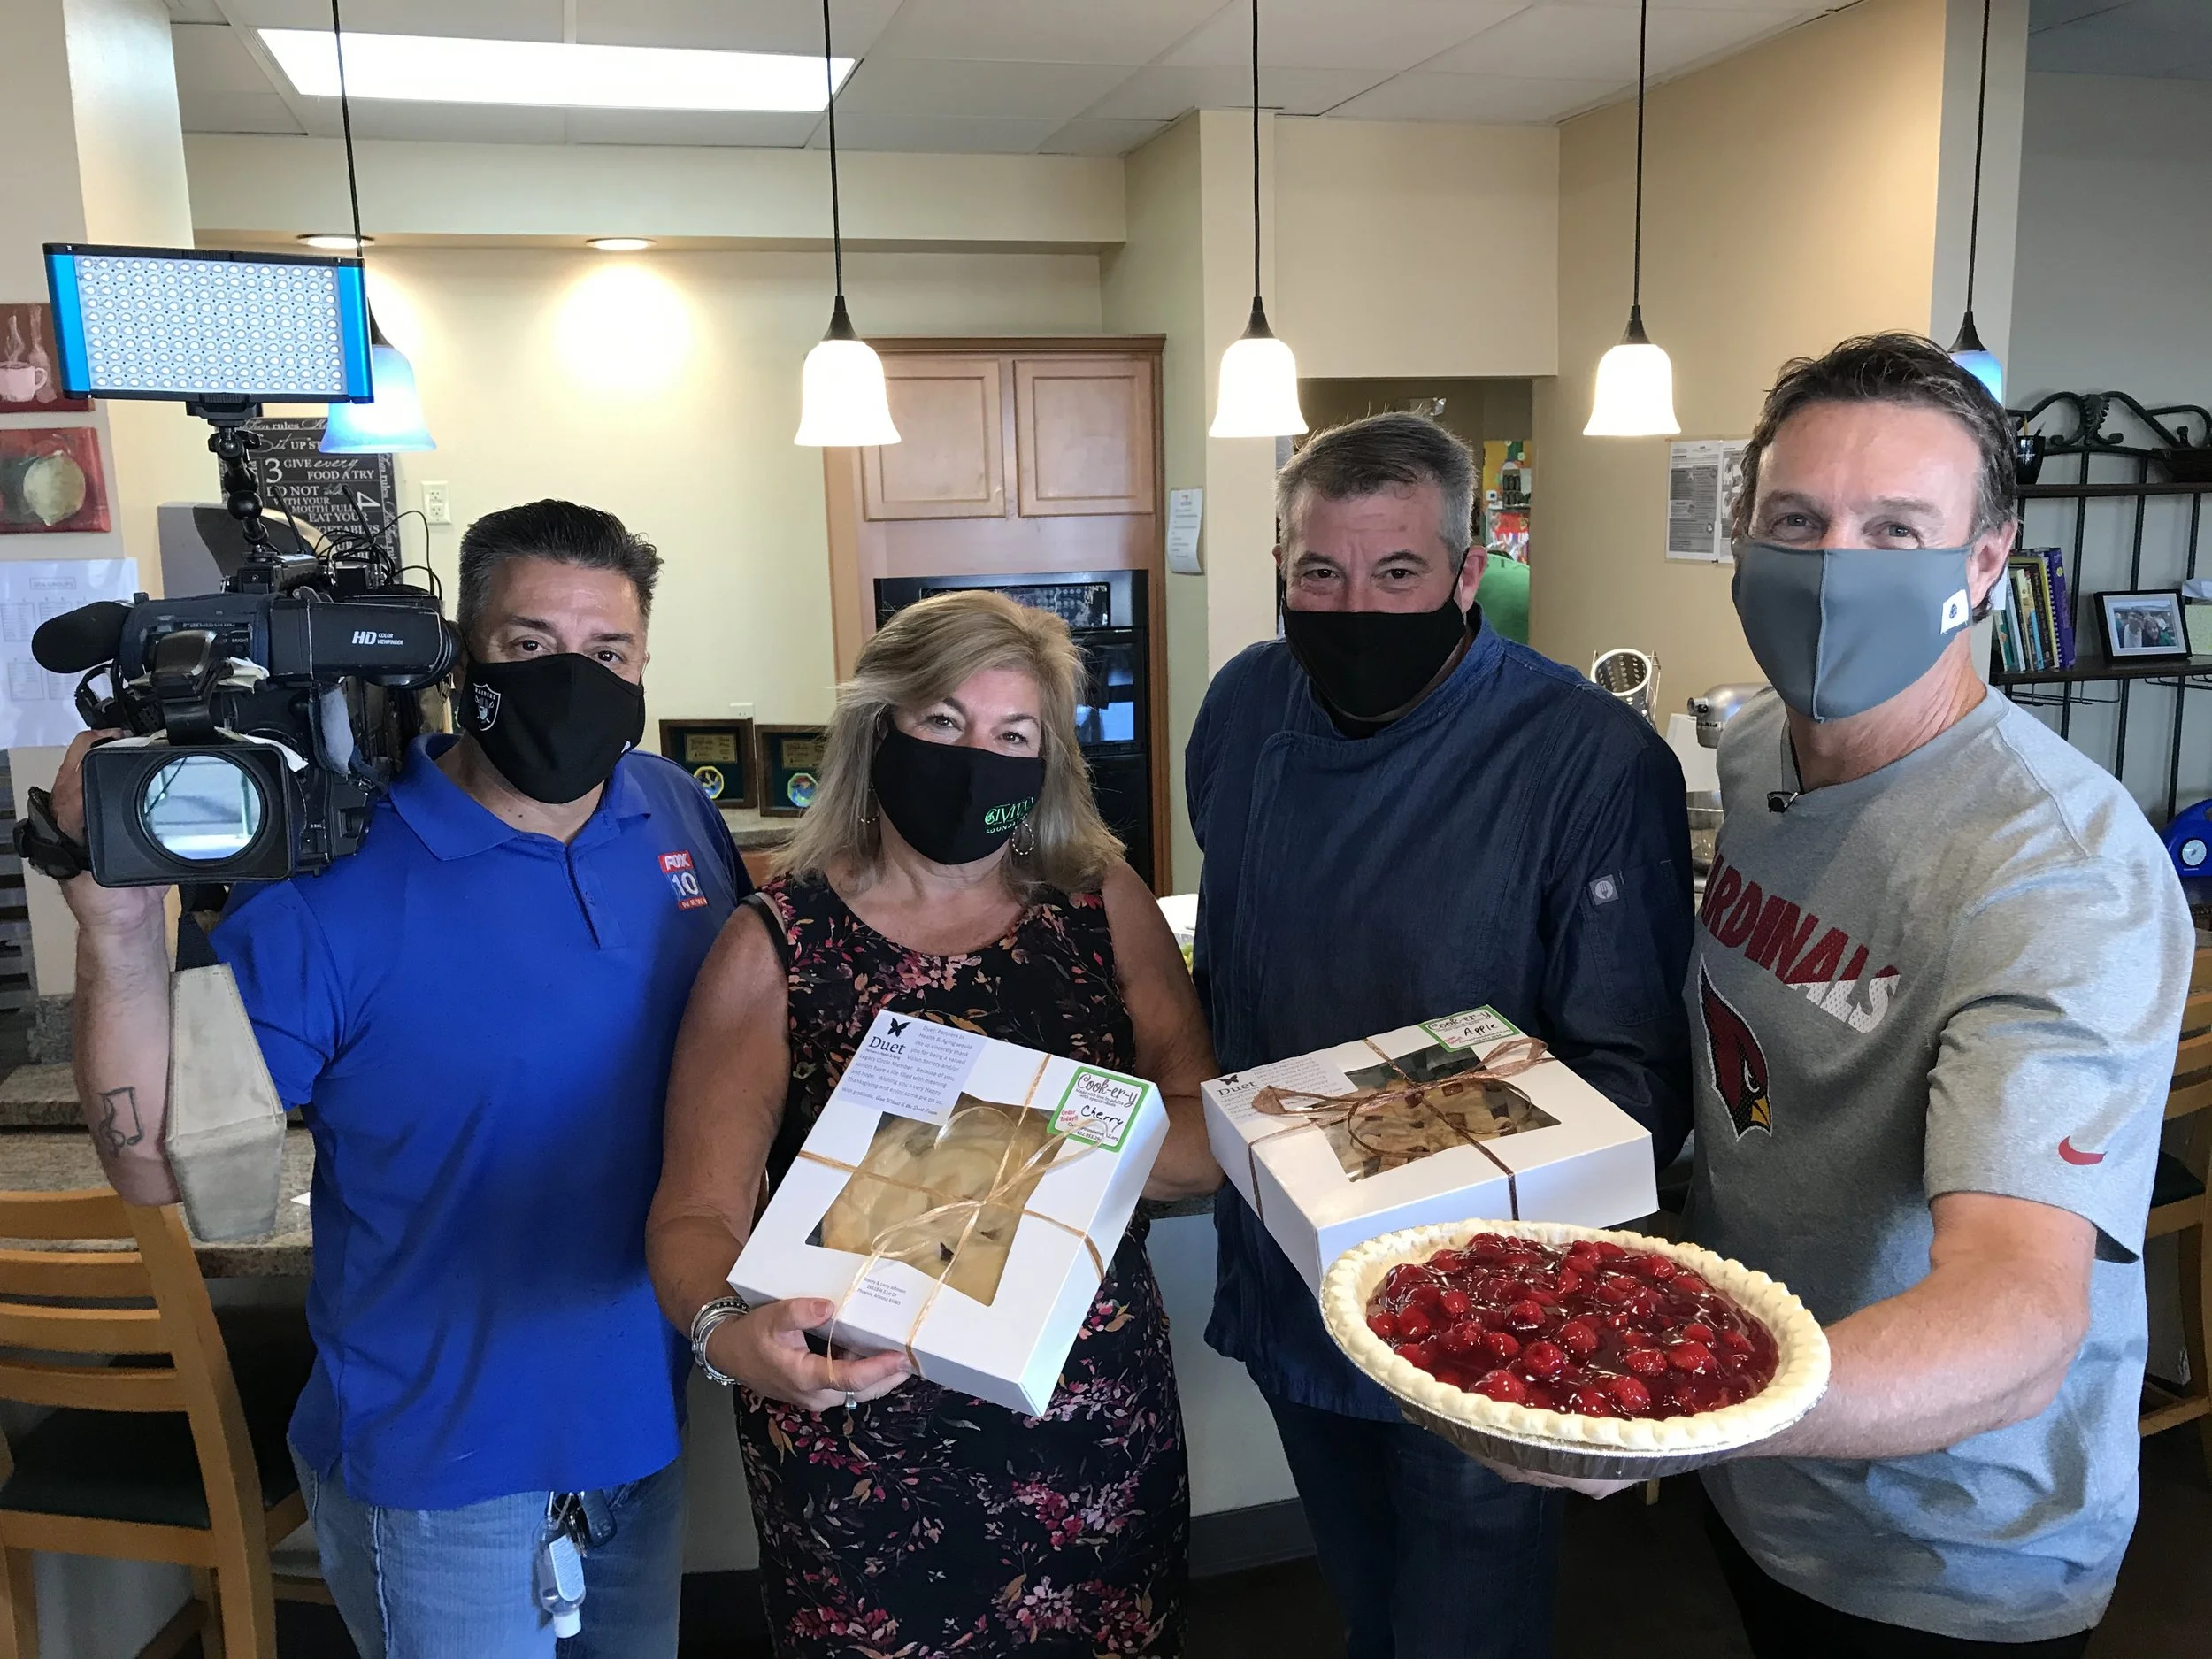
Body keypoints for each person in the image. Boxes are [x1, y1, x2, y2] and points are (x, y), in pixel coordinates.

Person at [56, 500, 743, 1659]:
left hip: (638, 1432)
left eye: (607, 651)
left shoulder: (670, 812)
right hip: (440, 1469)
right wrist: (118, 928)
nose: (573, 677)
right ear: (459, 659)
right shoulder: (330, 885)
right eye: (530, 646)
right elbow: (154, 1160)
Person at [1641, 334, 2186, 1655]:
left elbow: (2019, 1311)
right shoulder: (1758, 744)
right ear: (1743, 541)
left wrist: (1682, 1398)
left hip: (1948, 1538)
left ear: (1984, 564)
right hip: (1768, 1463)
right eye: (1798, 521)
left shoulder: (2057, 873)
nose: (1837, 567)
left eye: (1897, 528)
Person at [1185, 411, 1695, 1659]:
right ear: (1283, 569)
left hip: (1472, 1300)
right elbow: (1236, 950)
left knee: (1465, 1622)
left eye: (1398, 571)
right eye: (1321, 572)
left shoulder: (1588, 758)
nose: (1354, 605)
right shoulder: (1250, 702)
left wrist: (1400, 1150)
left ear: (1471, 572)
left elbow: (1633, 1077)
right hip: (1283, 1264)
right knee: (1367, 1600)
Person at [647, 589, 1221, 1658]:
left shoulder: (1100, 905)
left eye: (1016, 735)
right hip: (855, 1433)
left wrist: (1051, 1145)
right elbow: (696, 1208)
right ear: (879, 728)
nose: (979, 758)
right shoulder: (774, 941)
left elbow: (1203, 1138)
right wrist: (728, 1335)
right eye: (946, 724)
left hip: (1087, 1422)